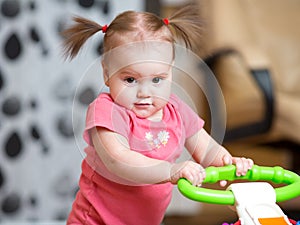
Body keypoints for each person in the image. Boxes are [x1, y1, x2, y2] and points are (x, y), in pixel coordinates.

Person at [62, 5, 254, 225]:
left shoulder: (177, 110)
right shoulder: (107, 110)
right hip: (96, 221)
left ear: (170, 71)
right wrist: (170, 171)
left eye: (157, 79)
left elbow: (207, 149)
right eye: (130, 80)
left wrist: (229, 163)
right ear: (107, 73)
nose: (145, 93)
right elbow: (119, 160)